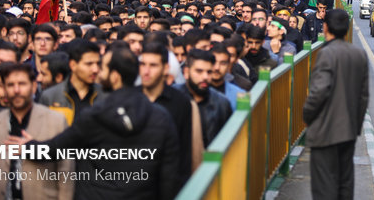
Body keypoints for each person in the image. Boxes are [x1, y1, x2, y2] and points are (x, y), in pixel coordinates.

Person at [20, 46, 183, 199]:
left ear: (115, 76)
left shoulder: (94, 116)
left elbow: (56, 148)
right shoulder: (161, 117)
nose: (97, 71)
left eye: (102, 68)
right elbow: (169, 176)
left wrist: (26, 147)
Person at [303, 9, 368, 200]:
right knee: (344, 183)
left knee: (325, 186)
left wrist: (307, 115)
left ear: (325, 27)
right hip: (348, 130)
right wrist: (355, 126)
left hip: (325, 131)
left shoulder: (326, 53)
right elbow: (363, 96)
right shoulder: (358, 54)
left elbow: (319, 92)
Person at [0, 63, 74, 200]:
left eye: (22, 84)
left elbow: (66, 170)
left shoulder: (56, 121)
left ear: (34, 86)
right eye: (10, 85)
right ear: (4, 89)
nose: (16, 90)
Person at [139, 42, 194, 180]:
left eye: (153, 65)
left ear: (165, 69)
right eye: (143, 64)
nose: (146, 71)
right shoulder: (128, 99)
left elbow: (184, 151)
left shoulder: (181, 103)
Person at [39, 39, 106, 124]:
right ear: (73, 65)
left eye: (98, 64)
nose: (95, 69)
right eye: (89, 64)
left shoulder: (105, 95)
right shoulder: (50, 96)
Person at [176, 49, 232, 148]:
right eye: (199, 71)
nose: (205, 77)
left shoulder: (221, 104)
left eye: (209, 72)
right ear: (186, 72)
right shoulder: (172, 98)